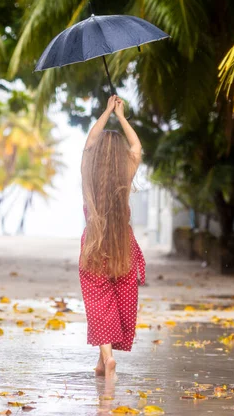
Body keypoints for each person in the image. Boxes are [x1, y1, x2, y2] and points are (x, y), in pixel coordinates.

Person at [79, 95, 146, 380]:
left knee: (99, 303)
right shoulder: (126, 172)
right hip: (123, 246)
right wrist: (121, 116)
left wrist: (105, 112)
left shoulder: (88, 172)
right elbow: (136, 147)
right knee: (118, 302)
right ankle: (102, 360)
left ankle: (107, 359)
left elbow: (89, 143)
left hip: (94, 244)